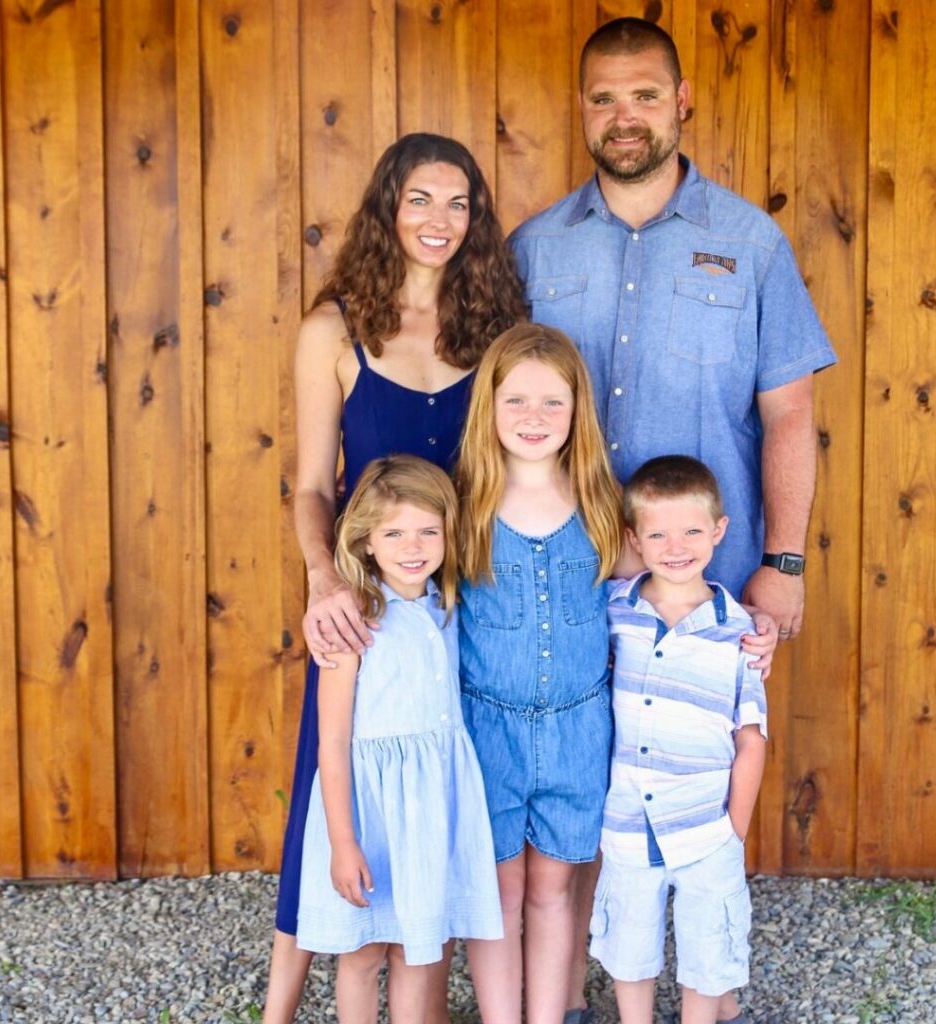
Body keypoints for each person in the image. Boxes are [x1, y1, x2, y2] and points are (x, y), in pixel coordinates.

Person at [508, 18, 835, 1022]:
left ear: (682, 101)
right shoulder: (535, 247)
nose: (625, 116)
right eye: (604, 97)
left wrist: (783, 561)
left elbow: (789, 414)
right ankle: (572, 988)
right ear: (581, 108)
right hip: (566, 581)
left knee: (701, 782)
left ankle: (705, 988)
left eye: (645, 95)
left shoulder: (749, 242)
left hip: (704, 586)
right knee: (582, 785)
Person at [264, 132, 525, 1024]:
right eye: (420, 199)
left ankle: (437, 987)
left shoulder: (494, 330)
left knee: (448, 792)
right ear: (388, 207)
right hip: (364, 599)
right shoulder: (333, 330)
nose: (439, 219)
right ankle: (278, 1007)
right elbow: (311, 486)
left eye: (458, 203)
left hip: (467, 596)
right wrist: (323, 582)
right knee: (329, 782)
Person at [453, 324, 624, 1024]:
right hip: (486, 731)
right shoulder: (462, 508)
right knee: (499, 894)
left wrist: (738, 626)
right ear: (489, 408)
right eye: (516, 401)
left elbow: (661, 587)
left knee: (554, 890)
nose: (535, 417)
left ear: (578, 409)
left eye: (553, 402)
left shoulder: (602, 504)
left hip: (578, 731)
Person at [296, 455, 503, 1024]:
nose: (413, 547)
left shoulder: (449, 607)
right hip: (369, 813)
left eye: (428, 532)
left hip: (431, 808)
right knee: (364, 951)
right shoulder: (353, 621)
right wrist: (343, 842)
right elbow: (332, 743)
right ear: (365, 541)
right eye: (393, 534)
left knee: (418, 948)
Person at [592, 455, 767, 1024]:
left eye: (692, 531)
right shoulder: (615, 610)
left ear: (719, 530)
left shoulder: (739, 631)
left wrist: (733, 831)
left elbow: (751, 739)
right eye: (658, 535)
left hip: (706, 823)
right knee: (629, 940)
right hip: (629, 815)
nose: (675, 547)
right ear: (633, 540)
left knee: (707, 946)